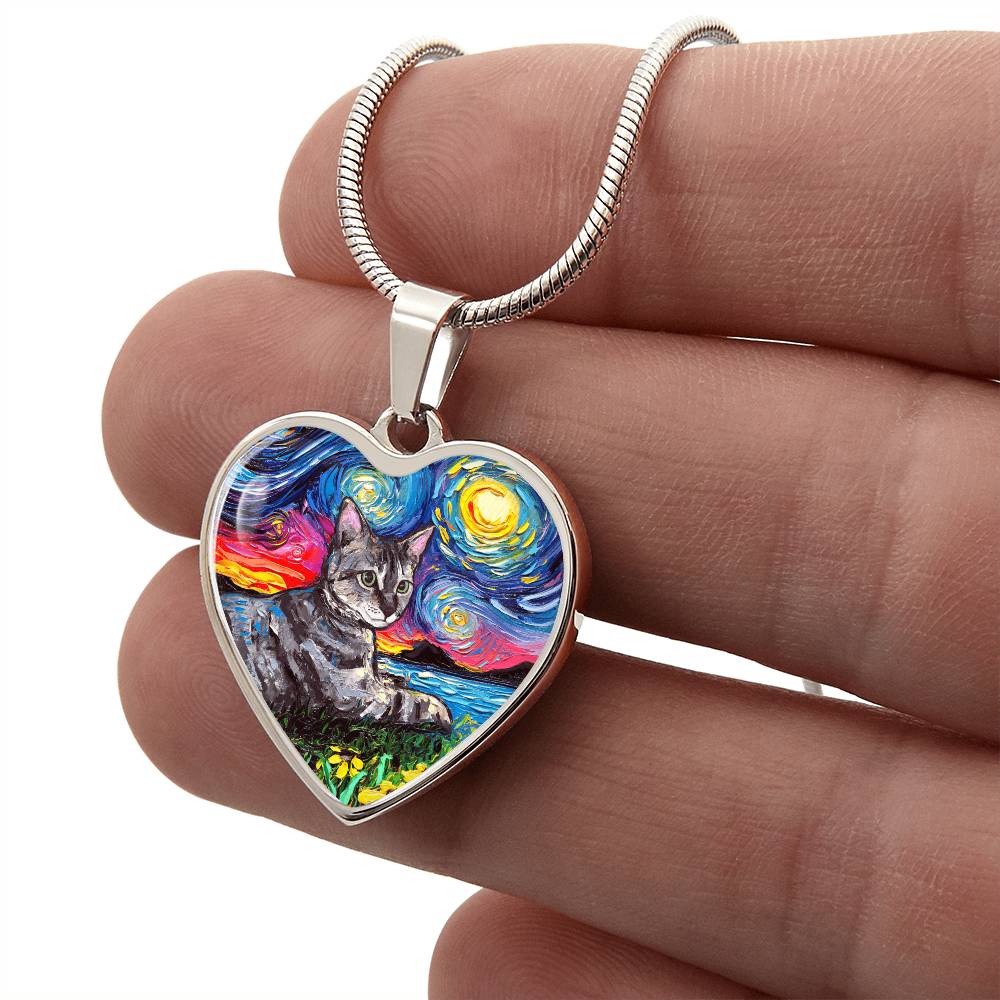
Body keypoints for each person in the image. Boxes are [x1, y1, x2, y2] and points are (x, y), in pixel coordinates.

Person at [103, 30, 999, 999]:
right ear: (340, 554)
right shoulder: (307, 605)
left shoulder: (380, 612)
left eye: (399, 586)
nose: (389, 602)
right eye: (373, 581)